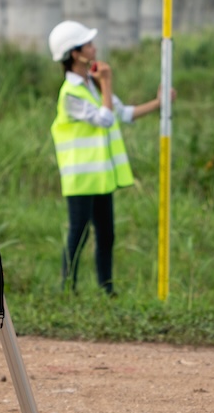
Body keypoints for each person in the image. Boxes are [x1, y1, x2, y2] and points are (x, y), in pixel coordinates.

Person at [47, 20, 165, 295]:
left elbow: (124, 113)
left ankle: (107, 289)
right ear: (75, 53)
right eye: (88, 44)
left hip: (99, 176)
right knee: (79, 233)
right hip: (80, 178)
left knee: (107, 234)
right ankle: (67, 288)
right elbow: (105, 118)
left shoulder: (92, 85)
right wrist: (108, 83)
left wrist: (159, 104)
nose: (94, 47)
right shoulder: (70, 94)